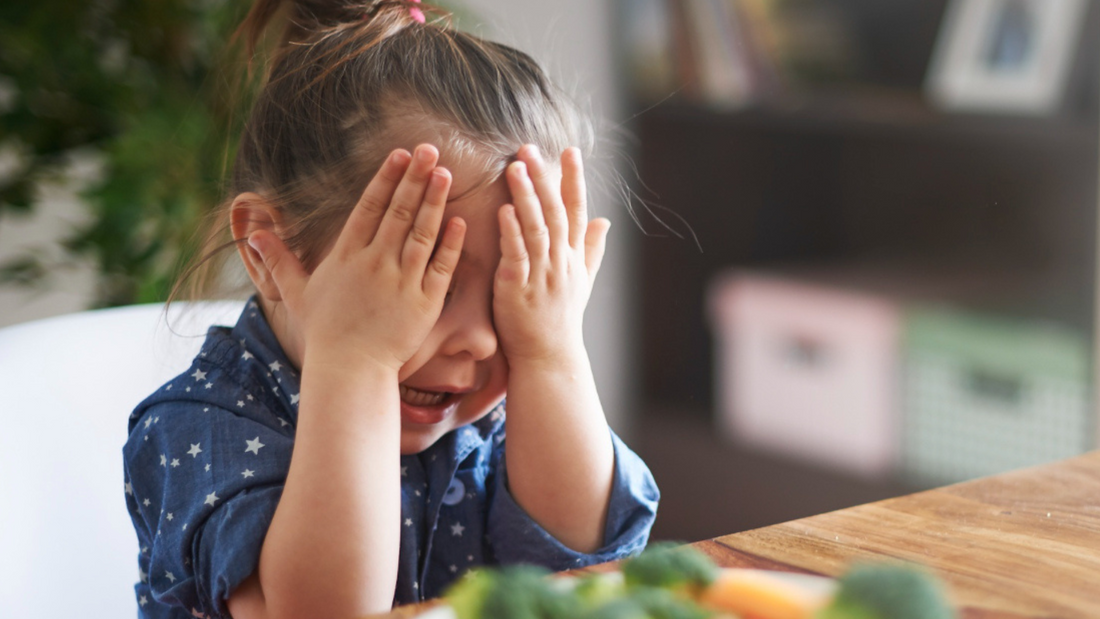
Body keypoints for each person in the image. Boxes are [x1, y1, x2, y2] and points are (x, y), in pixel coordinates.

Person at [121, 1, 660, 617]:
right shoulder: (202, 425)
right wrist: (356, 362)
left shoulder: (503, 396)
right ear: (268, 252)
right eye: (427, 285)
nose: (481, 341)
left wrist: (549, 350)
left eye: (512, 296)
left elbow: (585, 562)